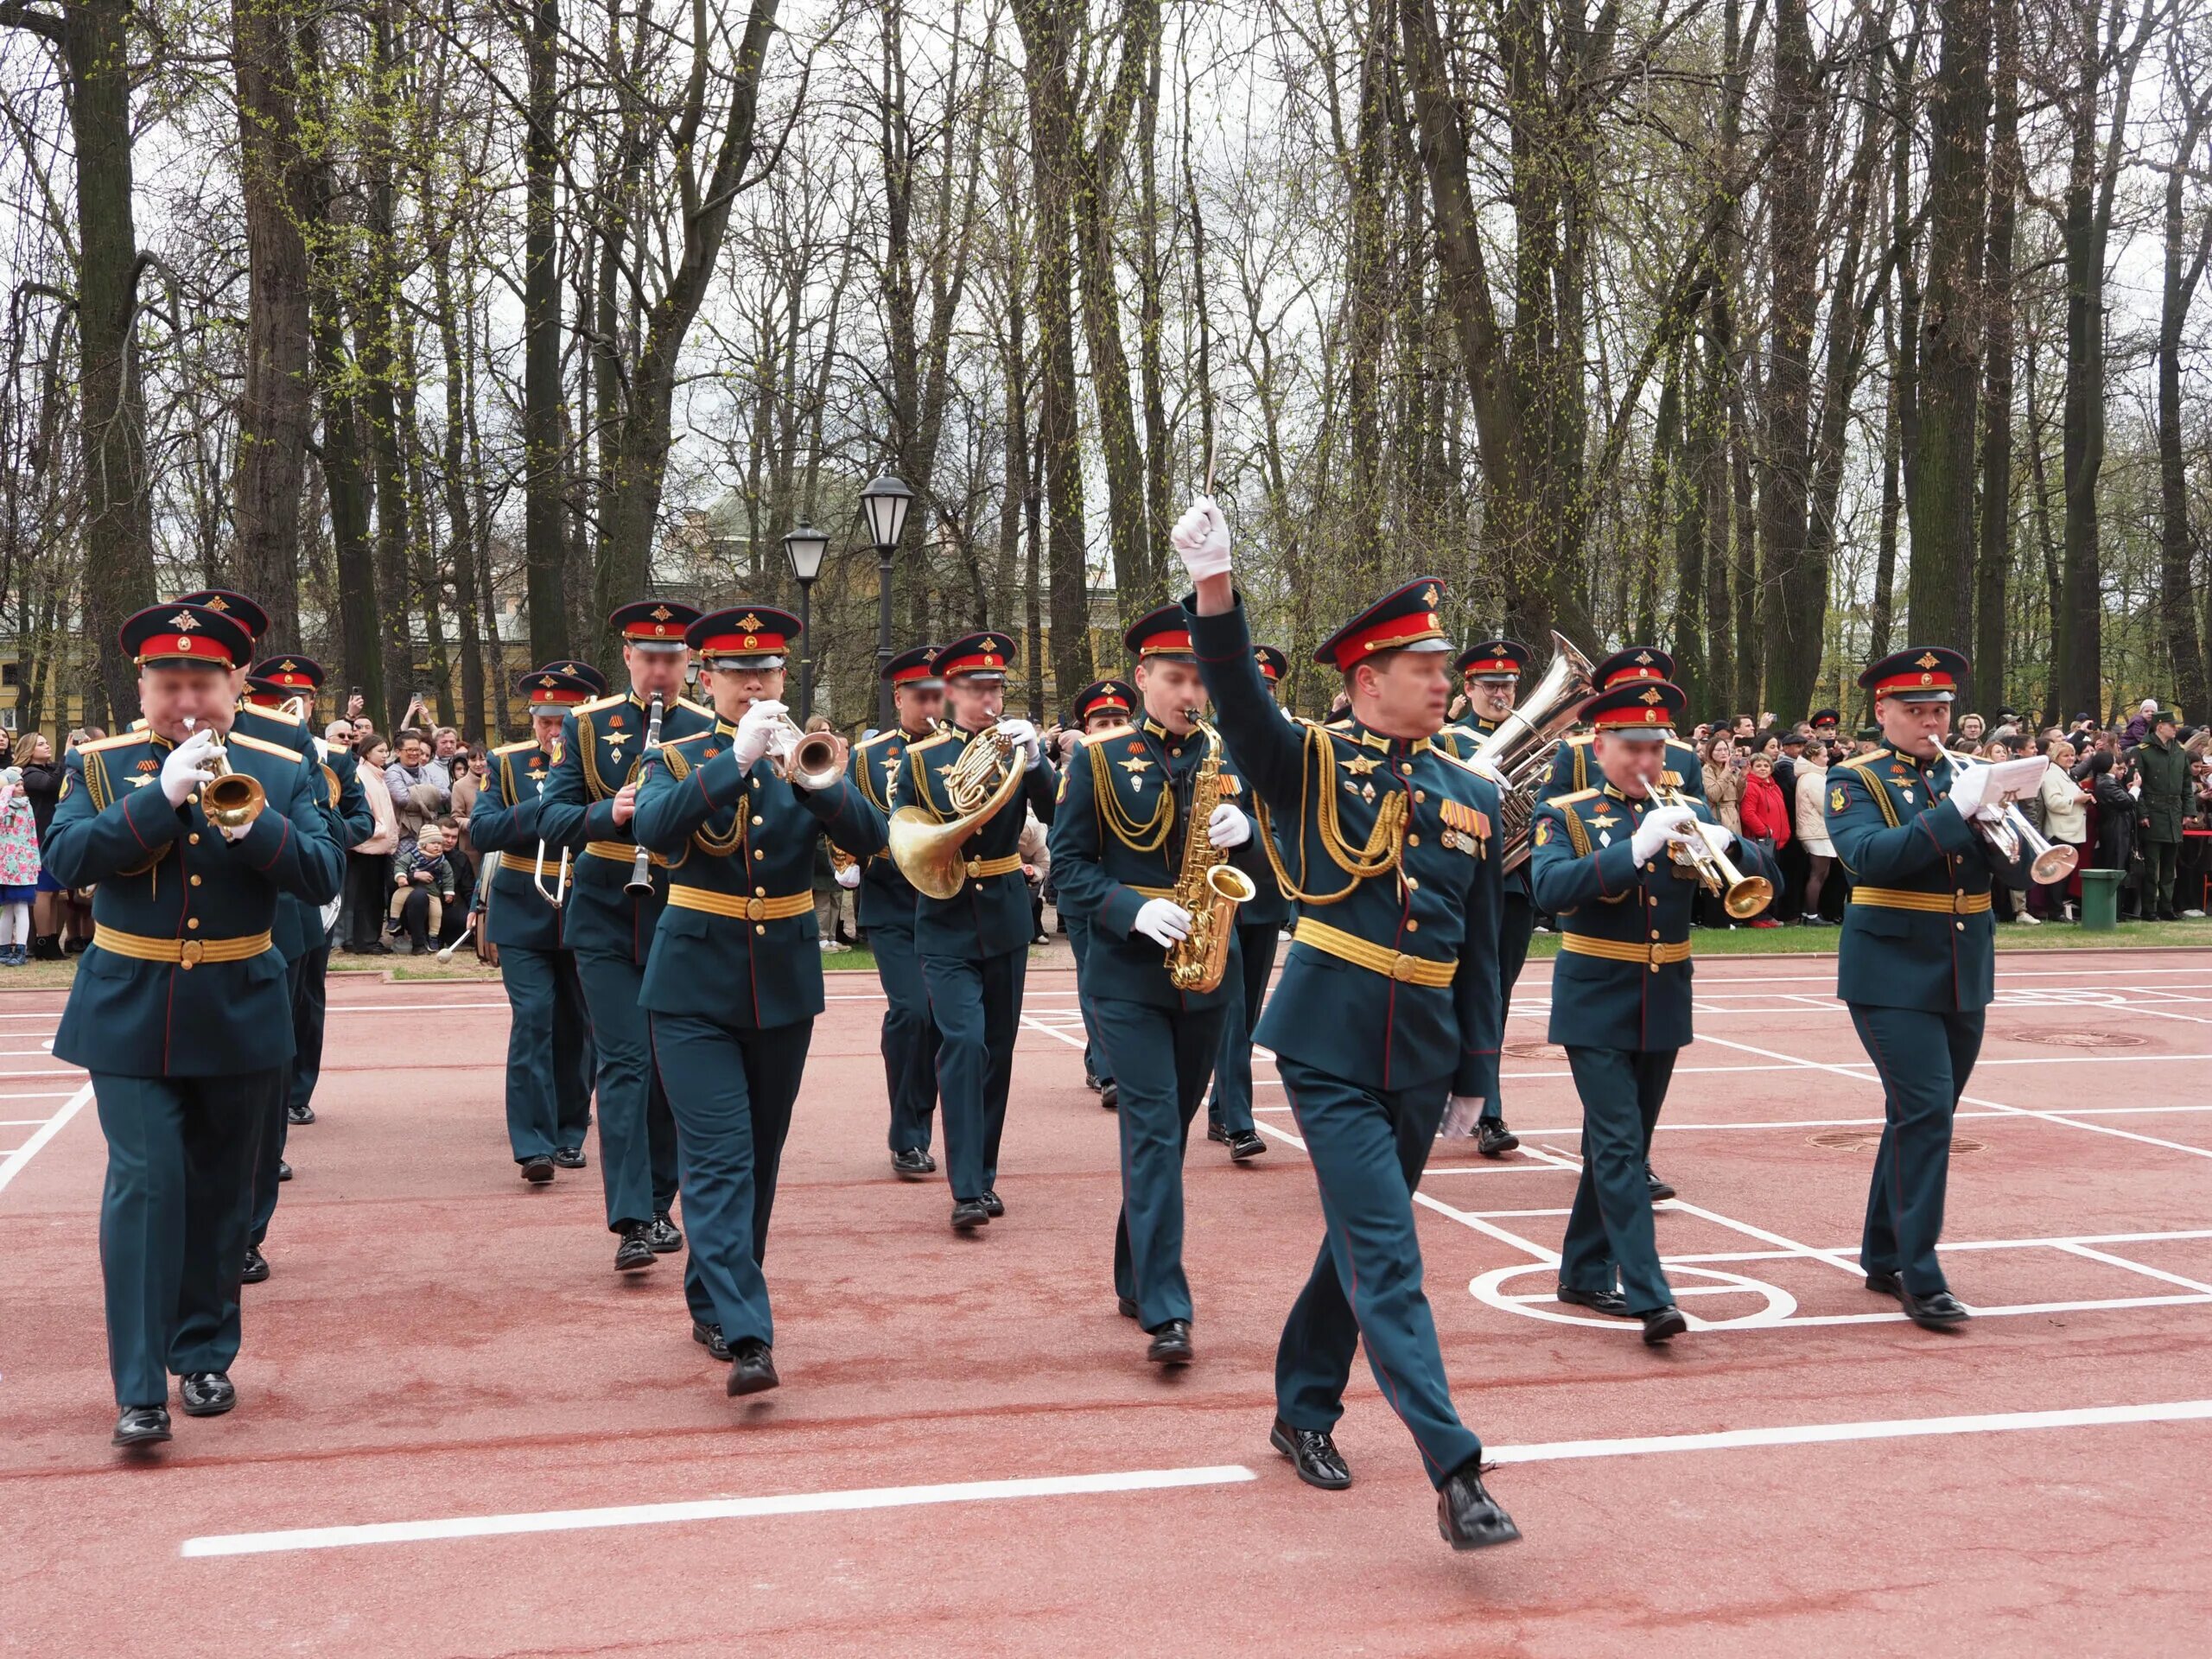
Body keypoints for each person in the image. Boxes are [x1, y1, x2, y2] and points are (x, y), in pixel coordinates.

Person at [1176, 500, 1520, 1552]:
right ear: (1368, 679)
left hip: (1419, 1051)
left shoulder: (1470, 789)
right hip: (1328, 1042)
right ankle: (1455, 1470)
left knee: (1358, 1249)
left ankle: (1300, 1407)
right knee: (1390, 1254)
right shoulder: (1310, 762)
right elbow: (1236, 698)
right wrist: (1216, 586)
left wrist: (1475, 1070)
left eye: (1442, 667)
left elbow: (1479, 947)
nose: (1445, 682)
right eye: (1424, 667)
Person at [48, 602, 342, 1448]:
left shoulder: (284, 765)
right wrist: (159, 802)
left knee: (221, 1195)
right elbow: (66, 861)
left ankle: (204, 1353)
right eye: (168, 684)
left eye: (202, 685)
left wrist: (256, 829)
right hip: (129, 1003)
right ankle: (138, 1388)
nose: (185, 702)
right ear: (142, 686)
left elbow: (321, 872)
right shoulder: (99, 766)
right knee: (145, 1187)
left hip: (240, 1002)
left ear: (235, 684)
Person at [632, 605, 886, 1395]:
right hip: (691, 984)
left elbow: (871, 840)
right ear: (707, 680)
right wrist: (731, 765)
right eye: (739, 673)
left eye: (768, 672)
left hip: (780, 982)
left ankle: (713, 1298)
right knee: (719, 1158)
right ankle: (749, 1335)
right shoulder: (676, 756)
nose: (755, 684)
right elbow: (653, 828)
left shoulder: (813, 756)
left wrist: (815, 782)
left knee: (761, 1162)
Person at [1529, 680, 1779, 1345]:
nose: (1648, 762)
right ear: (1601, 745)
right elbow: (1551, 889)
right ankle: (1649, 1292)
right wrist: (1635, 848)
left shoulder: (1689, 806)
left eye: (1656, 748)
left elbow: (1764, 884)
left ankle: (1583, 1271)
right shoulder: (1566, 813)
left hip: (1664, 993)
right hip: (1594, 995)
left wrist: (1736, 849)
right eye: (1633, 748)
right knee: (1617, 1145)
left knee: (1624, 1143)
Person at [1048, 604, 1265, 1368]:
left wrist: (1255, 840)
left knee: (1164, 1135)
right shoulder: (1098, 761)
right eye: (1176, 678)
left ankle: (1134, 1273)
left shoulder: (1230, 758)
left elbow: (1277, 872)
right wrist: (1133, 911)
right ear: (1143, 678)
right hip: (1127, 977)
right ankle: (1169, 1311)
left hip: (1206, 977)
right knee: (1151, 1129)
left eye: (1200, 679)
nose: (1191, 694)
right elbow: (1067, 873)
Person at [1826, 645, 2029, 1332]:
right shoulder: (1853, 780)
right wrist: (1953, 814)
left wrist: (2013, 826)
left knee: (1919, 1116)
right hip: (1889, 971)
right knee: (1927, 1112)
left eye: (1939, 709)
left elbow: (2017, 878)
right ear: (1882, 711)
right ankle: (1921, 1270)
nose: (1929, 721)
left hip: (1963, 966)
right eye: (1914, 710)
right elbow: (1870, 858)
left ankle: (1883, 1253)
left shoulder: (1968, 774)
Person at [537, 601, 714, 1274]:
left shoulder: (707, 728)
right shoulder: (588, 725)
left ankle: (664, 1200)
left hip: (682, 909)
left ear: (689, 664)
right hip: (607, 910)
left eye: (674, 658)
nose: (662, 669)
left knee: (671, 1067)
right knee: (625, 1064)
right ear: (629, 659)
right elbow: (551, 817)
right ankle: (632, 1220)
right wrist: (605, 812)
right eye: (650, 657)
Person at [893, 630, 1058, 1231]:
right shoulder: (921, 760)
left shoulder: (1016, 750)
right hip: (945, 918)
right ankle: (965, 1188)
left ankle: (982, 1175)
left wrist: (1038, 761)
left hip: (1006, 917)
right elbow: (906, 832)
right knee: (962, 1042)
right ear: (953, 692)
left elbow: (1060, 808)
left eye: (997, 687)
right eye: (978, 687)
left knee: (998, 1053)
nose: (990, 697)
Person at [469, 670, 596, 1183]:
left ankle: (570, 1130)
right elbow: (480, 830)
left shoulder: (601, 760)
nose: (553, 733)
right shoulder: (506, 762)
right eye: (545, 722)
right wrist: (540, 811)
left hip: (584, 901)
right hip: (523, 905)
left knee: (577, 1023)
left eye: (562, 722)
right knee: (533, 1018)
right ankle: (533, 1144)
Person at [244, 657, 373, 1136]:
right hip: (267, 885)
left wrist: (320, 831)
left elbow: (363, 821)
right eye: (278, 699)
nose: (291, 706)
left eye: (301, 699)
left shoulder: (333, 756)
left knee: (306, 996)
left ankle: (298, 1090)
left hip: (313, 887)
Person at [842, 645, 946, 1176]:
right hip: (891, 902)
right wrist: (846, 860)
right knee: (912, 1012)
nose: (931, 704)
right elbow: (846, 818)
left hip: (951, 905)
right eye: (920, 695)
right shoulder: (867, 756)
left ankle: (952, 1131)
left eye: (938, 694)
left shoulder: (964, 748)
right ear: (899, 696)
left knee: (947, 1024)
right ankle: (908, 1134)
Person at [1436, 638, 1535, 1157]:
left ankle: (1485, 1105)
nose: (1501, 693)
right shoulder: (1447, 741)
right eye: (1491, 685)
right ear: (1469, 688)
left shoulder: (1544, 742)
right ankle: (1466, 1102)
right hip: (1460, 884)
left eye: (1509, 685)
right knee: (1449, 994)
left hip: (1513, 884)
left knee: (1496, 996)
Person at [1205, 644, 1294, 1163]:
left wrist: (1258, 836)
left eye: (1268, 688)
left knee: (1248, 1011)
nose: (1259, 695)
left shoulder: (1283, 745)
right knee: (1233, 1007)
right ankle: (1239, 1119)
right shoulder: (1206, 741)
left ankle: (1220, 1109)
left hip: (1262, 892)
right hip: (1215, 893)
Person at [1058, 679, 1138, 1114]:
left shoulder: (1145, 766)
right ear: (1085, 728)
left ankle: (1098, 1057)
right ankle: (1110, 1072)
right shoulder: (1073, 770)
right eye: (1101, 722)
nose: (1110, 727)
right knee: (1095, 982)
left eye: (1118, 720)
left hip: (1129, 895)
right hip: (1085, 896)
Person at [2135, 709, 2190, 920]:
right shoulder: (2142, 751)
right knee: (2151, 866)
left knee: (2169, 867)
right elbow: (2136, 787)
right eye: (2172, 725)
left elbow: (2186, 785)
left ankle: (2166, 907)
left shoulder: (2179, 751)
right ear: (2160, 727)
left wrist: (2189, 811)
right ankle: (2149, 908)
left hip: (2173, 813)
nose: (2175, 729)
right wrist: (2142, 814)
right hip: (2153, 812)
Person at [346, 734, 398, 953]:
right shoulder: (362, 776)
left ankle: (372, 938)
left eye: (386, 750)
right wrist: (381, 830)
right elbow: (363, 811)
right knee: (365, 897)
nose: (385, 755)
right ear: (367, 752)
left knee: (376, 896)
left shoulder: (378, 775)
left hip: (380, 847)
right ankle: (364, 941)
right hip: (367, 847)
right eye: (380, 751)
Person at [21, 734, 67, 958]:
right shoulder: (29, 773)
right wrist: (67, 754)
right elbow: (52, 785)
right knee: (44, 892)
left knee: (55, 892)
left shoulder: (52, 769)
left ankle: (52, 940)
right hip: (40, 838)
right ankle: (42, 940)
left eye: (47, 742)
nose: (47, 745)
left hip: (56, 835)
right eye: (40, 744)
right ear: (29, 750)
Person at [2038, 739, 2091, 921]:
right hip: (2060, 829)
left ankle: (2060, 908)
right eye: (2065, 755)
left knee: (2066, 874)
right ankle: (2055, 910)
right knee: (2058, 875)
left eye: (2071, 755)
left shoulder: (2068, 774)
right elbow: (2053, 802)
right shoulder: (2051, 776)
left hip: (2073, 828)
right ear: (2056, 757)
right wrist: (2077, 799)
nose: (2070, 758)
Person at [1738, 750, 1790, 927]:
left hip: (1778, 841)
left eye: (1766, 765)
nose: (1763, 769)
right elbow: (1748, 814)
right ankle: (1758, 917)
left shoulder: (1774, 787)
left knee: (1773, 879)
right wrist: (1764, 831)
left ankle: (1767, 916)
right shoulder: (1752, 786)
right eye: (1758, 766)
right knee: (1762, 880)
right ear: (1751, 768)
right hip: (1761, 841)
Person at [389, 823, 457, 951]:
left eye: (439, 843)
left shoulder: (442, 861)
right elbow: (400, 864)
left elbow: (448, 876)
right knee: (398, 896)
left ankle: (433, 937)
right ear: (423, 844)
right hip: (412, 887)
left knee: (436, 913)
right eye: (433, 843)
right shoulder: (413, 855)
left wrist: (449, 892)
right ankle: (394, 920)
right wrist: (402, 877)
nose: (437, 846)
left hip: (432, 891)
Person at [2088, 751, 2139, 917]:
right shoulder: (2106, 783)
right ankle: (2112, 911)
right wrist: (2136, 789)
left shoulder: (2109, 782)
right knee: (2115, 868)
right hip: (2115, 830)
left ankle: (2117, 910)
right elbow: (2126, 802)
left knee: (2119, 868)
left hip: (2118, 828)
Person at [1793, 736, 1837, 925]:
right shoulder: (1813, 778)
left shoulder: (1812, 776)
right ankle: (1811, 915)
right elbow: (1825, 805)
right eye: (1825, 756)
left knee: (1820, 873)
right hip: (1816, 831)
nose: (1827, 759)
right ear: (1814, 758)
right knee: (1818, 873)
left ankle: (1807, 913)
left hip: (1815, 829)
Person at [0, 767, 40, 963]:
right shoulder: (3, 805)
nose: (21, 788)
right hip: (4, 866)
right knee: (7, 909)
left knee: (21, 907)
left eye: (22, 784)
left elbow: (32, 835)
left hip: (23, 865)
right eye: (16, 784)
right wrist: (4, 795)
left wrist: (35, 860)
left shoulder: (26, 806)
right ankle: (4, 948)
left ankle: (21, 950)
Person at [384, 731, 448, 813]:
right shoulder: (393, 772)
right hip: (405, 824)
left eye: (417, 750)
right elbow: (403, 799)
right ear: (398, 752)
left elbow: (446, 794)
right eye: (409, 750)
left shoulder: (426, 771)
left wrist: (414, 792)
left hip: (430, 822)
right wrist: (432, 791)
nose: (414, 753)